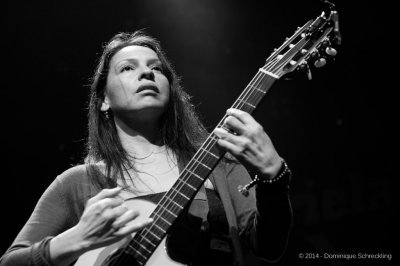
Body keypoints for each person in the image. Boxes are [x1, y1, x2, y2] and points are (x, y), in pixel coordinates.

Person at [0, 30, 293, 266]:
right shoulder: (76, 183)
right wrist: (75, 239)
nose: (147, 74)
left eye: (157, 68)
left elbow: (268, 247)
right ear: (103, 100)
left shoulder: (219, 164)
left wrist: (274, 179)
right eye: (127, 68)